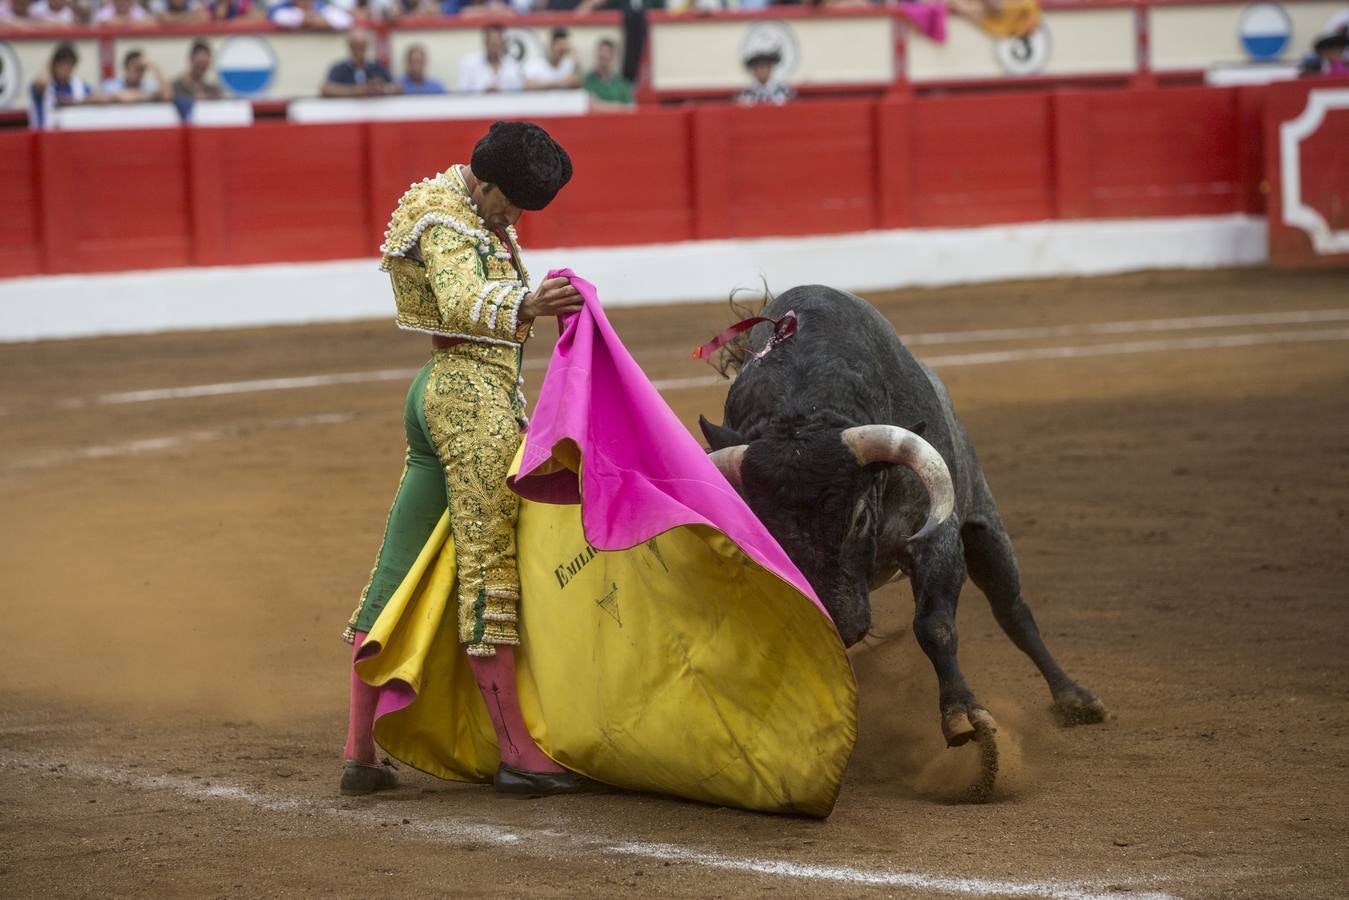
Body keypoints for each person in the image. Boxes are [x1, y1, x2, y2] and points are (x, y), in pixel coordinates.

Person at [342, 121, 594, 796]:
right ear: (482, 183)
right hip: (468, 401)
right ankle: (517, 751)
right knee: (490, 569)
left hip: (447, 391)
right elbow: (456, 300)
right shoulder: (452, 221)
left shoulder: (449, 205)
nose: (513, 218)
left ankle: (359, 753)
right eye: (508, 204)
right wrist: (529, 299)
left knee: (400, 564)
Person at [29, 42, 92, 130]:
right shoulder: (45, 84)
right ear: (55, 64)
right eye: (63, 63)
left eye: (70, 64)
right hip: (43, 138)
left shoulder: (80, 86)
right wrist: (49, 66)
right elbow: (40, 83)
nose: (66, 68)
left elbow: (95, 97)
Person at [321, 28, 397, 96]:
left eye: (363, 47)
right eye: (356, 47)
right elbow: (326, 89)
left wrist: (382, 89)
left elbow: (397, 88)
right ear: (350, 47)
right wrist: (355, 90)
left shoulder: (377, 67)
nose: (360, 51)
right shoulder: (340, 68)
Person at [457, 24, 525, 94]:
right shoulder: (469, 63)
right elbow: (464, 92)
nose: (494, 48)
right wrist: (484, 91)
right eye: (492, 43)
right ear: (485, 43)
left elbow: (518, 91)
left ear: (503, 44)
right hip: (478, 104)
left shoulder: (512, 65)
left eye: (497, 44)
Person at [101, 49, 172, 102]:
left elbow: (167, 96)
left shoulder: (149, 85)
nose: (138, 73)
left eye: (141, 69)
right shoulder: (111, 85)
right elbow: (125, 98)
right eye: (134, 69)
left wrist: (155, 66)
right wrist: (150, 95)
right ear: (126, 68)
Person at [581, 38, 633, 107]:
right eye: (601, 52)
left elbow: (631, 108)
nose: (603, 54)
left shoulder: (622, 84)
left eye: (608, 52)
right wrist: (617, 106)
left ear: (614, 57)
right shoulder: (585, 81)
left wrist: (600, 105)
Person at [270, 0, 352, 30]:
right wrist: (303, 19)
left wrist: (327, 22)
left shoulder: (323, 7)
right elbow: (278, 17)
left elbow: (346, 20)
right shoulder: (283, 8)